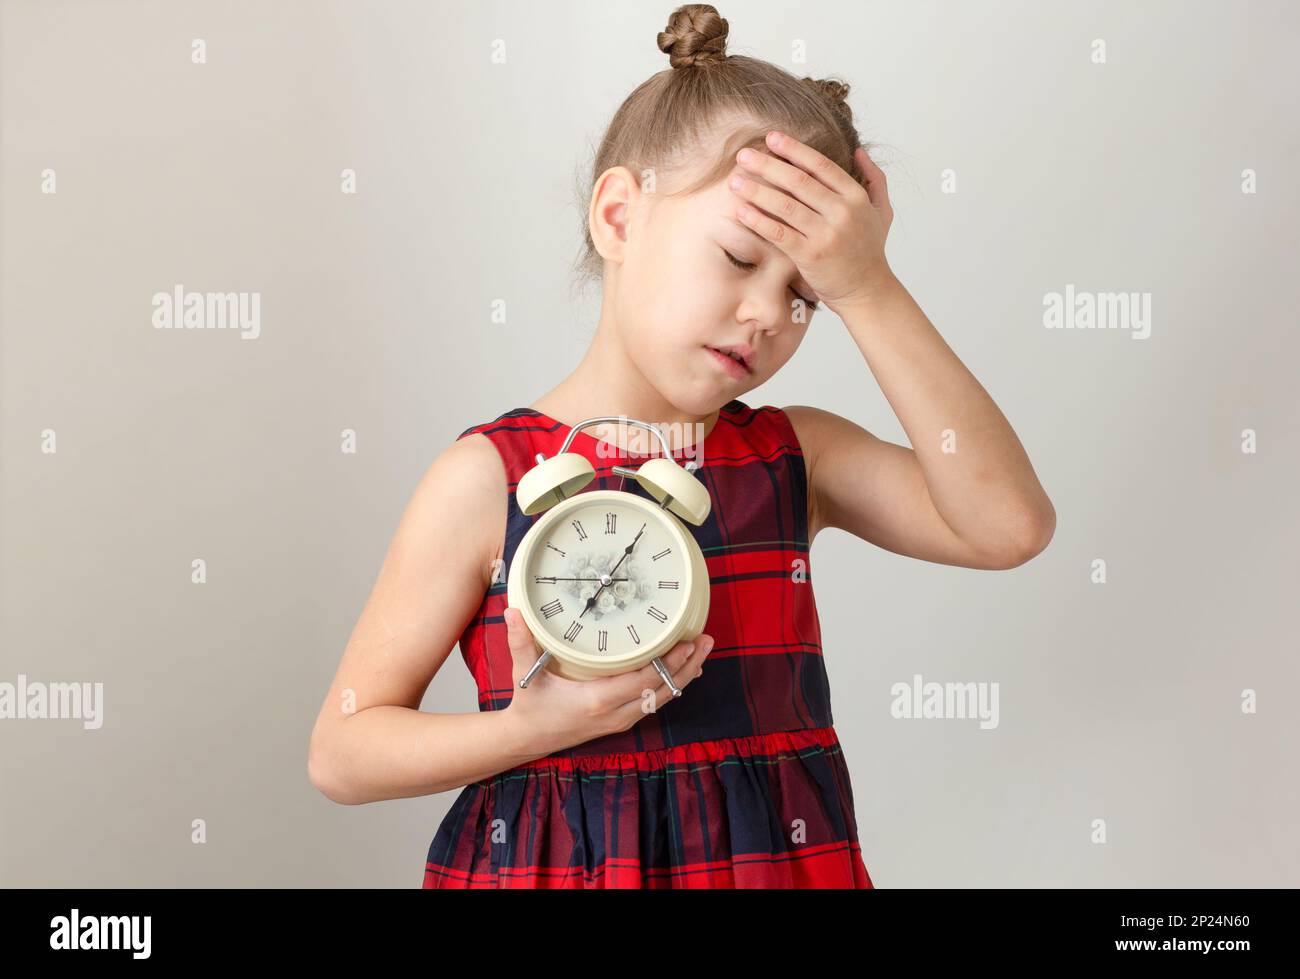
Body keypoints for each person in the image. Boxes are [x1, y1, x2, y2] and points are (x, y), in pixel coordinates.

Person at [308, 3, 1056, 888]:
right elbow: (344, 750)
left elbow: (1007, 526)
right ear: (620, 218)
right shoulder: (487, 479)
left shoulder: (793, 460)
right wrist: (534, 728)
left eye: (806, 295)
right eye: (741, 259)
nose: (770, 314)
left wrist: (870, 287)